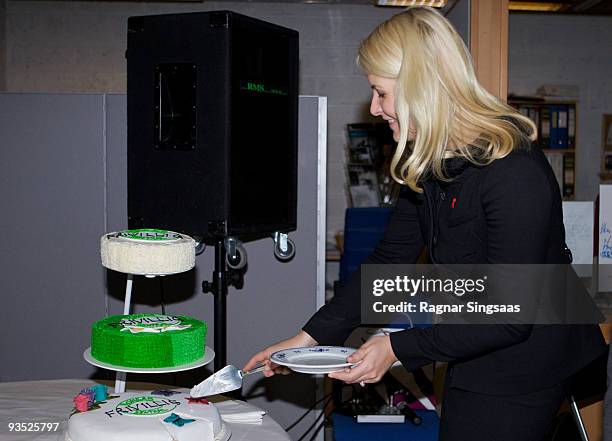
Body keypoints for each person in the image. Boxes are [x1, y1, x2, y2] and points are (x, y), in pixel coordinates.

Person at [244, 7, 606, 440]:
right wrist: (306, 340)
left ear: (421, 86)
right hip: (474, 343)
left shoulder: (513, 171)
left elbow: (511, 315)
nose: (375, 109)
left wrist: (396, 348)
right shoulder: (431, 162)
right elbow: (388, 264)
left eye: (381, 93)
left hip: (528, 362)